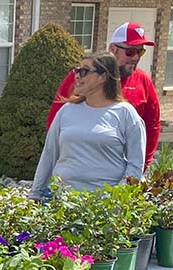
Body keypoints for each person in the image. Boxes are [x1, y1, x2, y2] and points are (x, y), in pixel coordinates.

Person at [30, 52, 145, 200]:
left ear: (103, 77)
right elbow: (49, 155)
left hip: (104, 207)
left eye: (84, 71)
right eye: (77, 71)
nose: (77, 76)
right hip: (62, 201)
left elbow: (136, 165)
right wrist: (35, 193)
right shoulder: (66, 111)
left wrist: (117, 200)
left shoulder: (126, 114)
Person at [46, 22, 159, 167]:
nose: (136, 57)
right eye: (130, 52)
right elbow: (55, 120)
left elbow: (152, 126)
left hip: (121, 174)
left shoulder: (143, 81)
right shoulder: (82, 76)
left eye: (140, 52)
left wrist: (141, 166)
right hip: (79, 168)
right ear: (113, 49)